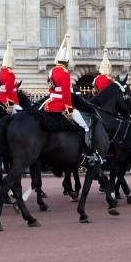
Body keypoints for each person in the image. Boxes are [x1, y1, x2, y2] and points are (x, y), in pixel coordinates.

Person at [43, 35, 99, 165]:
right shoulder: (65, 73)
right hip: (61, 104)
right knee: (85, 127)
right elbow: (67, 95)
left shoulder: (51, 72)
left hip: (50, 103)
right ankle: (87, 154)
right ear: (67, 61)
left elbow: (51, 89)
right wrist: (68, 110)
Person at [0, 40, 21, 113]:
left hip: (0, 98)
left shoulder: (2, 71)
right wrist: (10, 105)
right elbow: (9, 91)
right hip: (8, 100)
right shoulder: (10, 74)